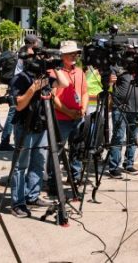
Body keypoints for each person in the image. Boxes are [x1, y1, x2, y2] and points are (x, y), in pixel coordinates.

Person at [9, 45, 70, 218]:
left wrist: (56, 67)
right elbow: (19, 105)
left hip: (43, 124)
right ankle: (17, 203)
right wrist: (33, 89)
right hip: (24, 125)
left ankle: (32, 196)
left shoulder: (46, 77)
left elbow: (64, 83)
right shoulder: (20, 79)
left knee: (38, 162)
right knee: (21, 166)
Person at [108, 60, 138, 179]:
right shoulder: (117, 66)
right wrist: (110, 83)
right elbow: (110, 86)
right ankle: (114, 167)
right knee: (118, 136)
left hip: (137, 109)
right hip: (120, 108)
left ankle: (129, 163)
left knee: (133, 137)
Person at [51, 41, 87, 185]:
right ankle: (54, 181)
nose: (74, 56)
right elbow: (53, 97)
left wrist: (82, 109)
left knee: (77, 147)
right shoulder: (54, 72)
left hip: (78, 117)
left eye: (75, 53)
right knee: (57, 150)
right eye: (70, 53)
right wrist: (68, 112)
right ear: (62, 55)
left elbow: (84, 92)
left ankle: (75, 176)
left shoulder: (79, 71)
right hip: (61, 118)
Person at [0, 34, 41, 151]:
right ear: (33, 43)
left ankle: (6, 140)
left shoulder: (22, 50)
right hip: (20, 86)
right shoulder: (26, 52)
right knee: (13, 113)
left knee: (13, 114)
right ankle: (5, 141)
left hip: (18, 84)